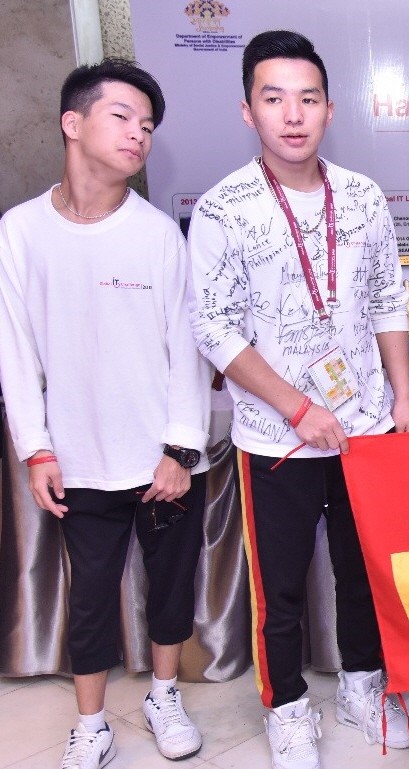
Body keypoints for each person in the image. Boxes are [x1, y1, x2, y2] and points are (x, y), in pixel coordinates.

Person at [186, 30, 409, 769]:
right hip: (275, 436)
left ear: (329, 108)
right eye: (274, 97)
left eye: (308, 98)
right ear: (248, 111)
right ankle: (286, 707)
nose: (293, 114)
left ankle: (363, 683)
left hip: (366, 426)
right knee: (279, 586)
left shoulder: (362, 197)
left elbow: (387, 299)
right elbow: (213, 331)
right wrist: (296, 406)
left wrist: (403, 399)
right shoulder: (224, 209)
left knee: (366, 570)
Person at [0, 59, 210, 768]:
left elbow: (186, 349)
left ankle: (162, 693)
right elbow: (15, 350)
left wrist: (180, 452)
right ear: (72, 122)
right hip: (78, 460)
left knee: (171, 590)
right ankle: (90, 723)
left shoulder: (156, 234)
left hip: (163, 459)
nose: (138, 134)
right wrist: (37, 447)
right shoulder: (20, 231)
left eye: (148, 125)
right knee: (88, 599)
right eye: (122, 116)